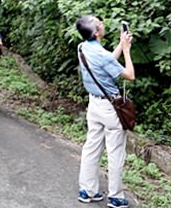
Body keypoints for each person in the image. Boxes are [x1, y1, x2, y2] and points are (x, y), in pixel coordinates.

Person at [75, 15, 135, 207]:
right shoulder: (101, 55)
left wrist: (120, 44)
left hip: (94, 104)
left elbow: (107, 61)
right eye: (98, 23)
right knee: (116, 151)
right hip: (111, 108)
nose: (102, 23)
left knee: (91, 146)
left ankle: (87, 190)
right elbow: (129, 75)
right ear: (96, 32)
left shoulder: (82, 48)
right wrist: (126, 50)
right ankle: (116, 196)